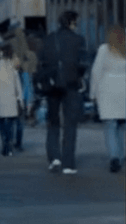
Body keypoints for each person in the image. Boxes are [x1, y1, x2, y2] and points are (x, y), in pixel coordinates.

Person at [36, 10, 90, 174]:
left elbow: (42, 61)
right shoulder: (78, 40)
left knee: (53, 122)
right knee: (70, 124)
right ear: (72, 22)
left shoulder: (49, 39)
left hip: (52, 85)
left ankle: (54, 158)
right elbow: (83, 63)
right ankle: (68, 163)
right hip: (71, 85)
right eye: (76, 21)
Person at [89, 24, 126, 173]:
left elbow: (96, 72)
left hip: (107, 90)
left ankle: (114, 157)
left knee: (110, 126)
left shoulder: (104, 49)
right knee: (122, 126)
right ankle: (121, 154)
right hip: (124, 90)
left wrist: (93, 94)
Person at [0, 44, 24, 156]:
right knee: (10, 126)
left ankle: (5, 145)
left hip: (0, 103)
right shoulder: (13, 72)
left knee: (2, 126)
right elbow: (18, 88)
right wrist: (20, 101)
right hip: (11, 103)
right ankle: (8, 146)